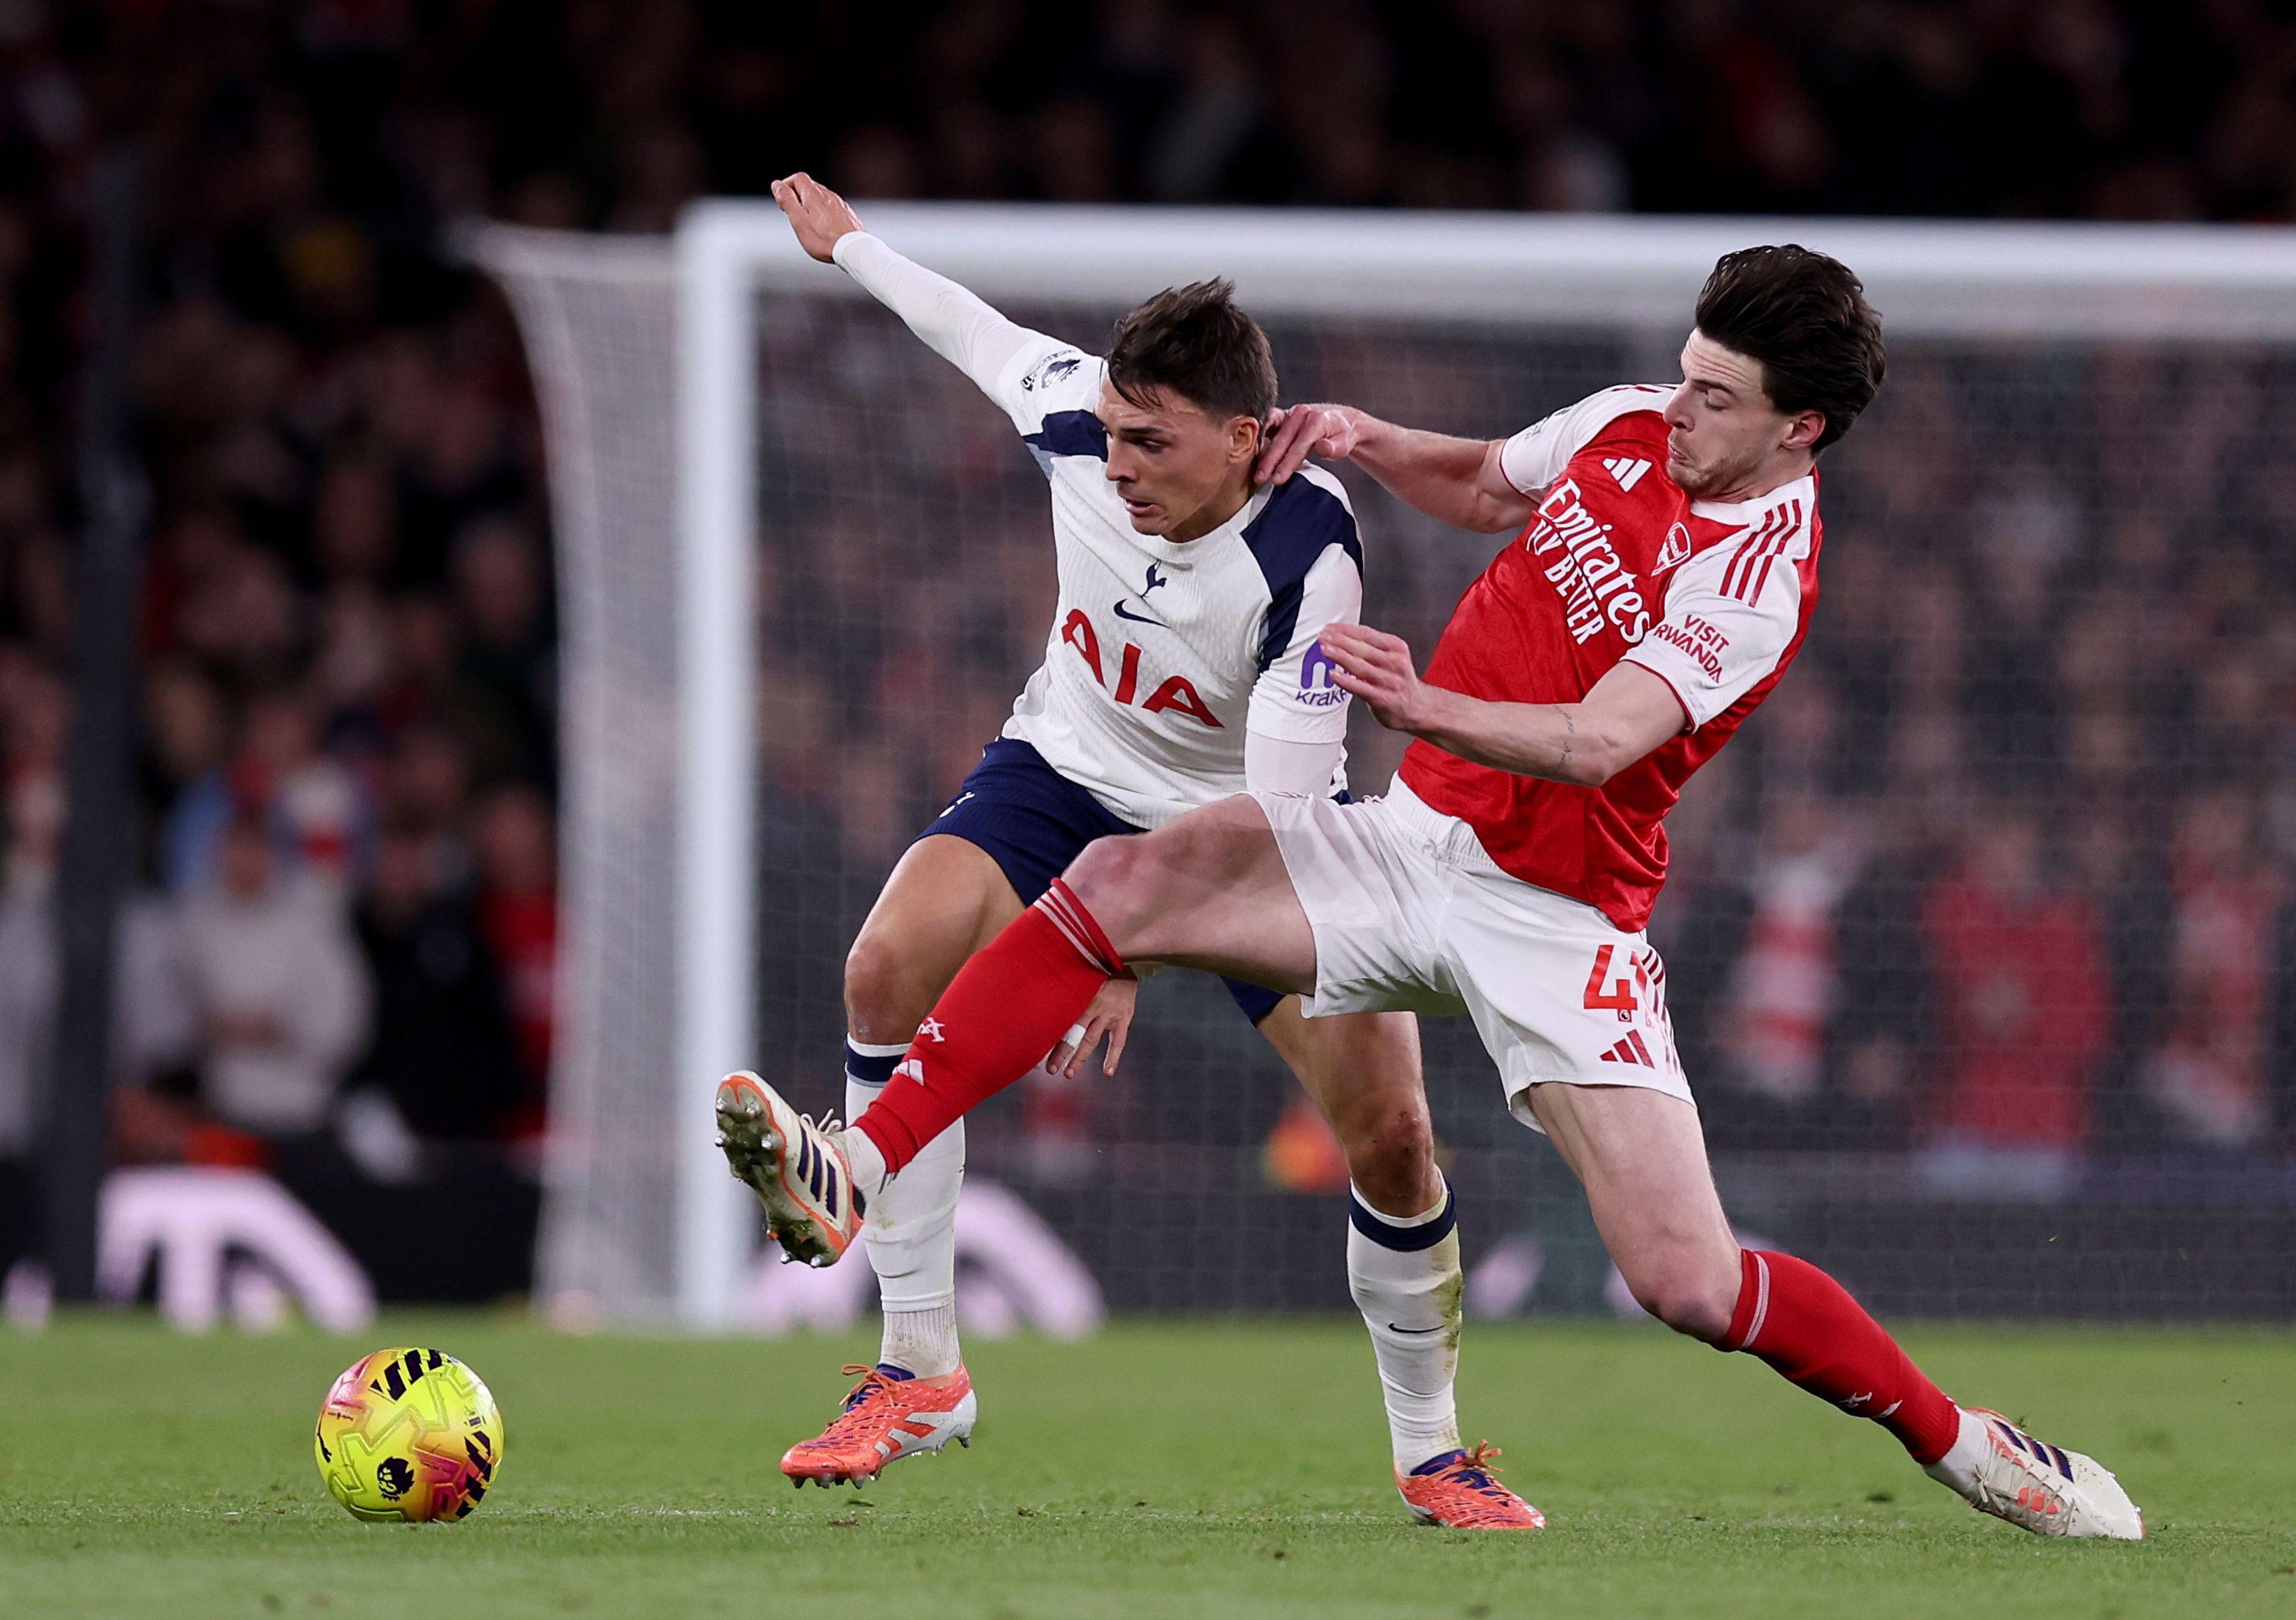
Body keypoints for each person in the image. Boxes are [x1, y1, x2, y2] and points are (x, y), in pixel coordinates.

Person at [734, 242, 2146, 1540]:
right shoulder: (1634, 417)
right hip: (1414, 845)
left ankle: (1967, 1445)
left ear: (1801, 430)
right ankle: (853, 1173)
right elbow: (1484, 482)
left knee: (1685, 1281)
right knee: (1121, 879)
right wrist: (1362, 437)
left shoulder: (1761, 576)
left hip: (1559, 919)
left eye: (1719, 400)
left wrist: (1429, 704)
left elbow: (1600, 742)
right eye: (1689, 371)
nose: (1682, 410)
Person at [716, 173, 1538, 1530]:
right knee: (886, 965)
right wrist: (849, 243)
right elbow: (964, 326)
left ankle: (1434, 1449)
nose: (1116, 467)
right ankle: (919, 1368)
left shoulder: (1308, 555)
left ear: (1244, 436)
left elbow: (1274, 815)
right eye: (1110, 433)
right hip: (1062, 772)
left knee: (1392, 1137)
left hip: (1249, 835)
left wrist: (1120, 941)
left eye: (1150, 445)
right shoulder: (1075, 409)